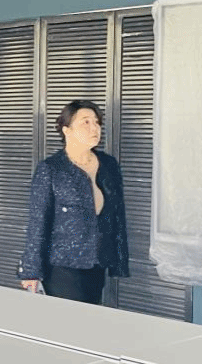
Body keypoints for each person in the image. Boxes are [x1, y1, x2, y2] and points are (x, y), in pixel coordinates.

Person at [17, 100, 128, 304]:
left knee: (90, 316)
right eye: (86, 122)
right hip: (62, 267)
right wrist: (31, 271)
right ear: (66, 130)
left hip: (97, 263)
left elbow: (118, 216)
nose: (95, 128)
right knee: (69, 320)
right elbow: (38, 223)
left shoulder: (109, 165)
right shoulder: (51, 169)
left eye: (97, 122)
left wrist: (119, 260)